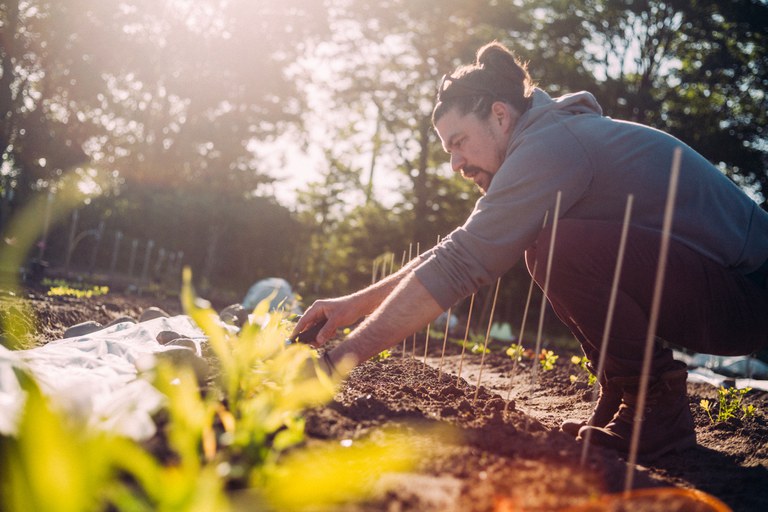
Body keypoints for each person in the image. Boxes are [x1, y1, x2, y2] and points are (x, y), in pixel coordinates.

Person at [292, 41, 768, 461]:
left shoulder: (550, 145)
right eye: (448, 152)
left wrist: (338, 364)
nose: (456, 163)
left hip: (750, 295)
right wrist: (352, 306)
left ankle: (654, 404)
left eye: (459, 143)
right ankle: (627, 390)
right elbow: (458, 249)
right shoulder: (549, 137)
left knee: (557, 248)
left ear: (500, 115)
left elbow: (461, 262)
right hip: (728, 294)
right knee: (546, 247)